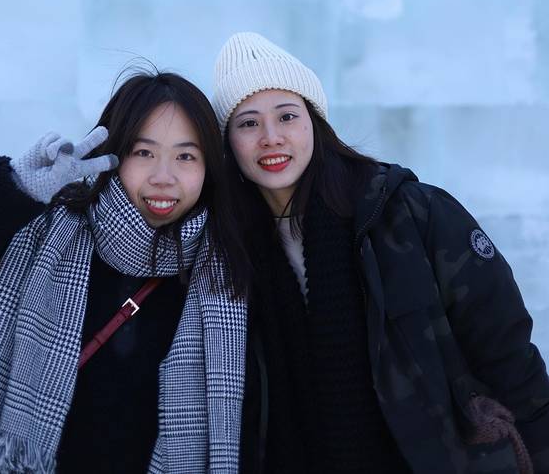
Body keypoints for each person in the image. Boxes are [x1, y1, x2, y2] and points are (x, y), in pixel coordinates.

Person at [212, 32, 549, 474]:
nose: (271, 138)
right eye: (248, 123)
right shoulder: (230, 250)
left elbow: (508, 355)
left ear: (314, 122)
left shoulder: (410, 214)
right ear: (228, 142)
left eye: (287, 116)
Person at [0, 71, 248, 474]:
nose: (163, 177)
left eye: (185, 156)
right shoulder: (46, 246)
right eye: (143, 152)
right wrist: (12, 189)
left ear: (209, 167)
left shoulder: (230, 275)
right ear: (114, 155)